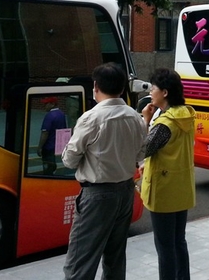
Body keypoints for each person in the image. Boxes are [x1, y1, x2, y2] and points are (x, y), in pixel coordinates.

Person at [61, 63, 146, 280]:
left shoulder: (91, 118)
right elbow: (141, 153)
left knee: (81, 261)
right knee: (115, 259)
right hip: (125, 192)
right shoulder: (135, 117)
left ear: (96, 86)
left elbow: (70, 160)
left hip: (97, 196)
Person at [141, 69, 196, 280]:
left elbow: (144, 149)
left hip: (164, 190)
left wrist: (146, 120)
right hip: (181, 188)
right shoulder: (186, 114)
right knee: (178, 241)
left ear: (164, 92)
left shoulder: (165, 123)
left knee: (164, 246)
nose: (150, 92)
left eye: (153, 88)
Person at [37, 97, 67, 175]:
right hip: (57, 145)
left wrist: (40, 147)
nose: (44, 106)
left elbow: (45, 133)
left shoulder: (49, 116)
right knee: (52, 163)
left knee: (47, 166)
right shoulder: (62, 114)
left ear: (52, 104)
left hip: (48, 146)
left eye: (46, 104)